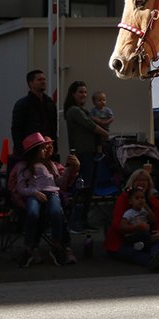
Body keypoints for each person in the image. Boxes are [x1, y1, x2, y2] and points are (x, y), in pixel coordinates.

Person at [12, 131, 78, 267]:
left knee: (56, 212)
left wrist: (68, 170)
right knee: (32, 213)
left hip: (52, 193)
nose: (46, 149)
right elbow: (20, 188)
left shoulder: (51, 165)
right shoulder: (24, 167)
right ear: (34, 151)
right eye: (42, 148)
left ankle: (57, 245)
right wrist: (34, 192)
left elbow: (59, 184)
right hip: (34, 195)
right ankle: (29, 247)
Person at [64, 80, 108, 233]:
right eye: (80, 92)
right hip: (82, 154)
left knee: (90, 189)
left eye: (85, 92)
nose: (84, 94)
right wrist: (105, 133)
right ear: (73, 94)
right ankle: (74, 222)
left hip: (92, 153)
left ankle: (84, 221)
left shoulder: (85, 111)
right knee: (82, 187)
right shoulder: (73, 111)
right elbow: (90, 125)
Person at [105, 168, 159, 271]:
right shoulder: (124, 199)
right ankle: (156, 261)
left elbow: (157, 222)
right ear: (132, 183)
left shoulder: (153, 201)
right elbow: (117, 225)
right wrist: (137, 227)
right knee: (132, 252)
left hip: (147, 237)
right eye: (138, 180)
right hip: (126, 238)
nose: (141, 183)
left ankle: (157, 258)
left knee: (157, 242)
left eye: (144, 180)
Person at [10, 69, 59, 160]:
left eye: (44, 79)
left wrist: (55, 148)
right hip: (31, 150)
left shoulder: (49, 103)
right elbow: (17, 130)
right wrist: (20, 151)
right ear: (31, 83)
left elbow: (53, 127)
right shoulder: (23, 104)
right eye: (39, 80)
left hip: (48, 149)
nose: (43, 82)